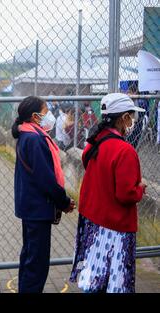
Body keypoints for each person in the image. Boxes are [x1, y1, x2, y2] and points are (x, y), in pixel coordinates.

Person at [70, 93, 147, 293]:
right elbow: (126, 194)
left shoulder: (95, 142)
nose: (133, 121)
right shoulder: (124, 150)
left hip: (94, 222)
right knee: (117, 279)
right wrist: (141, 188)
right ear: (123, 118)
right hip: (115, 226)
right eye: (131, 116)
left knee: (95, 276)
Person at [11, 96, 75, 293]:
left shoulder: (27, 135)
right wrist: (64, 201)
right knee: (37, 264)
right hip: (37, 209)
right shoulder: (35, 139)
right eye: (46, 112)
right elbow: (46, 179)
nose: (50, 116)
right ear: (35, 116)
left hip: (30, 207)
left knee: (30, 257)